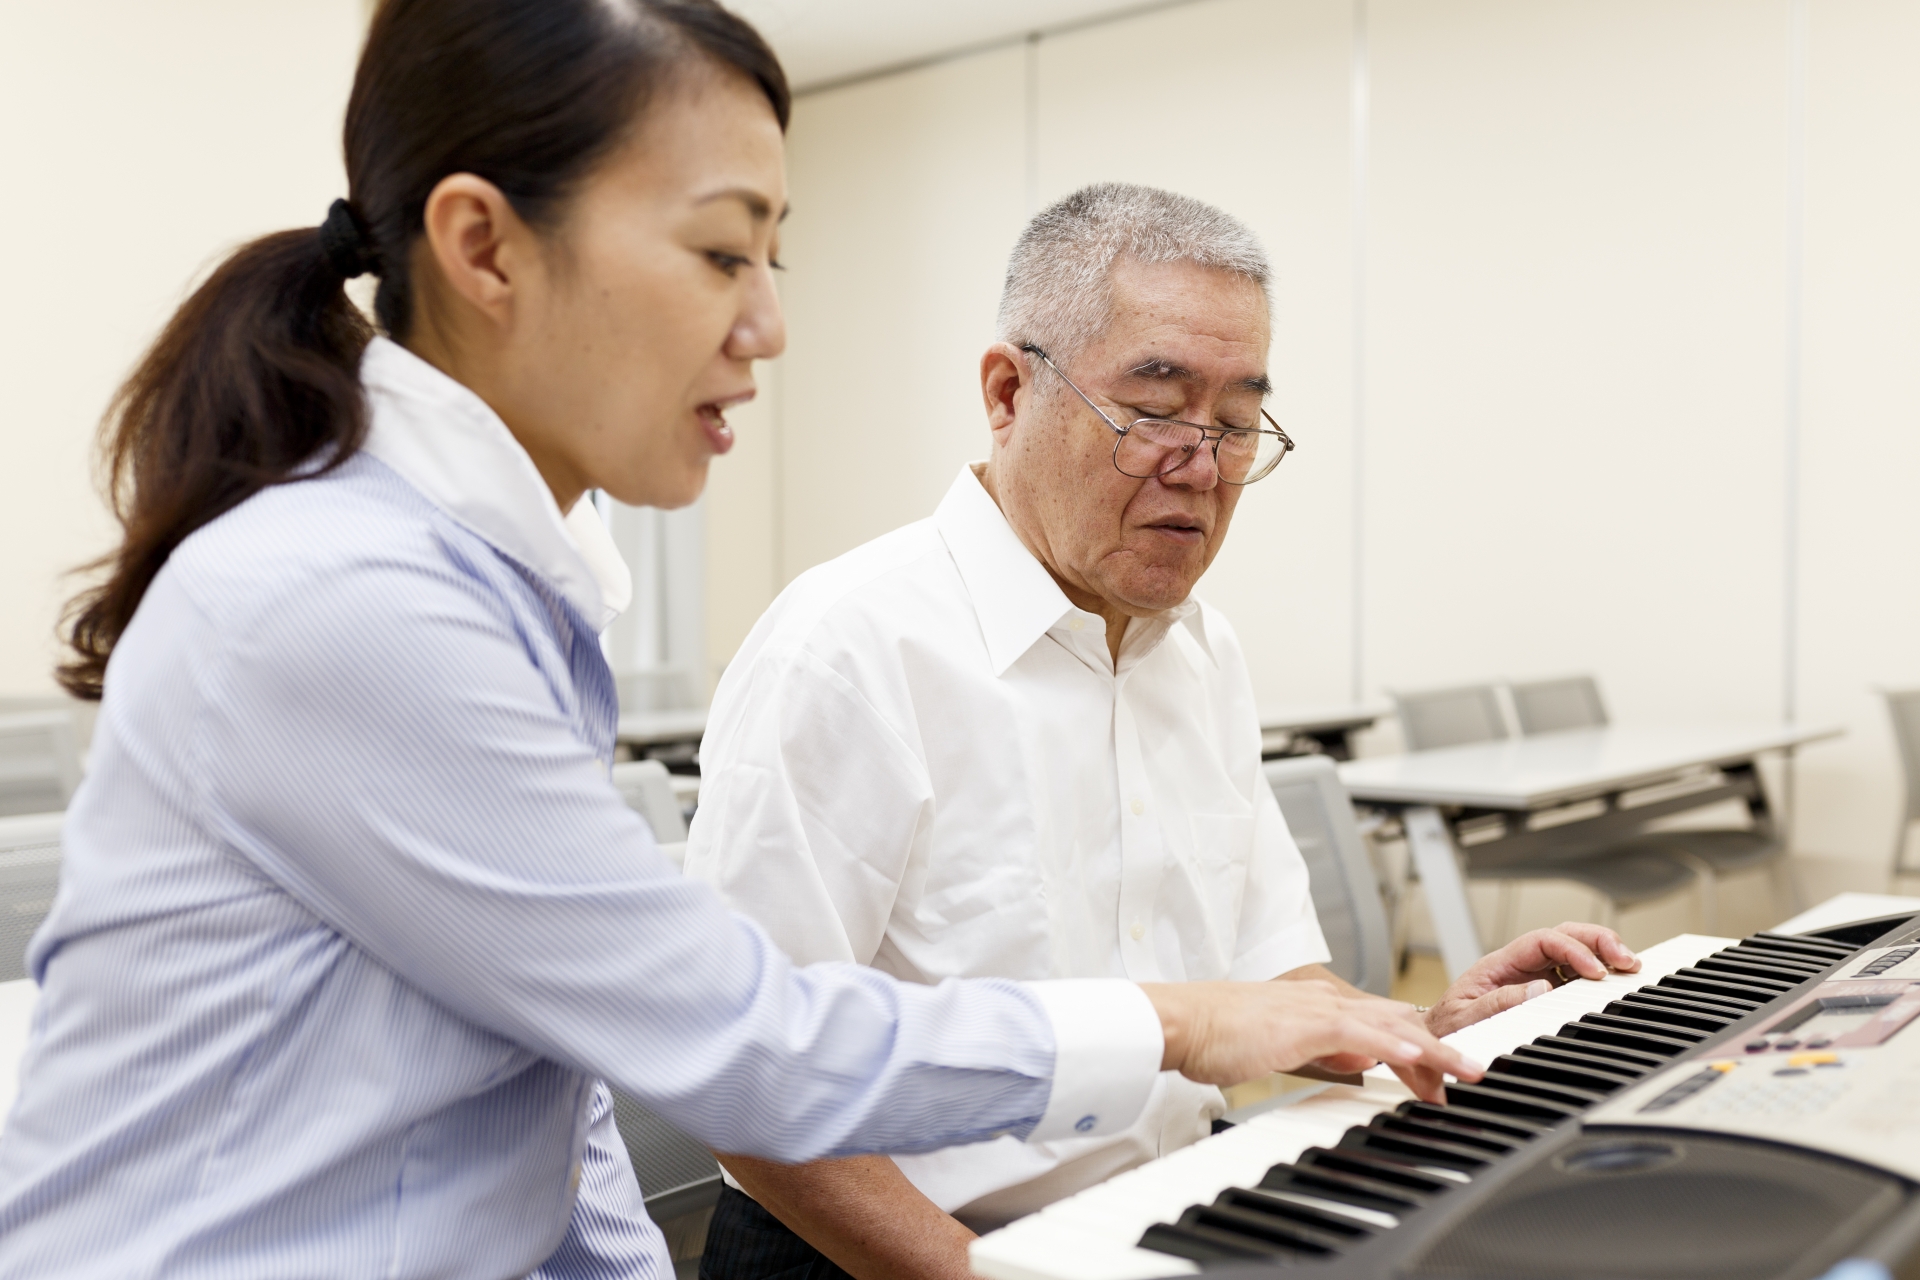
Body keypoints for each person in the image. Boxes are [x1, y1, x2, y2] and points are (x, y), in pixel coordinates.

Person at [0, 7, 1486, 1279]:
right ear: (483, 248)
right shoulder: (348, 599)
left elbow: (555, 1088)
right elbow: (742, 1045)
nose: (769, 324)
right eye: (721, 254)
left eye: (774, 256)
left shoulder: (500, 584)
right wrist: (1181, 1023)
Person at [683, 183, 1642, 1280]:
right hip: (891, 1249)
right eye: (1153, 411)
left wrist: (1427, 1019)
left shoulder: (1201, 651)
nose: (1203, 465)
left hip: (1163, 1202)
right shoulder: (849, 645)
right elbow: (737, 1076)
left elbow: (1271, 986)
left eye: (1237, 424)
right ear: (1006, 391)